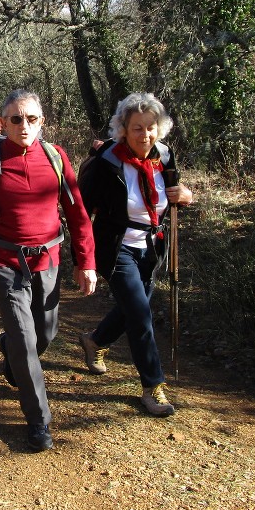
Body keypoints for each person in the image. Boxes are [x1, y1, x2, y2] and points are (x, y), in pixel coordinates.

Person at [0, 89, 97, 452]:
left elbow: (78, 215)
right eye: (16, 119)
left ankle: (10, 348)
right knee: (25, 339)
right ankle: (39, 421)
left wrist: (86, 262)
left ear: (42, 121)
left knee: (45, 334)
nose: (25, 125)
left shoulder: (56, 157)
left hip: (48, 260)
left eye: (32, 118)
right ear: (3, 123)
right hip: (5, 262)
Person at [76, 92, 193, 417]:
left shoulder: (165, 156)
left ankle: (96, 340)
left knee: (132, 309)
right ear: (123, 129)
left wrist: (185, 196)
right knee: (141, 316)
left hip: (152, 247)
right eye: (137, 128)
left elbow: (172, 194)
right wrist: (81, 258)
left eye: (150, 127)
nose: (145, 134)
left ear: (160, 128)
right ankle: (152, 386)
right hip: (116, 249)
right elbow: (82, 211)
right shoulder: (108, 162)